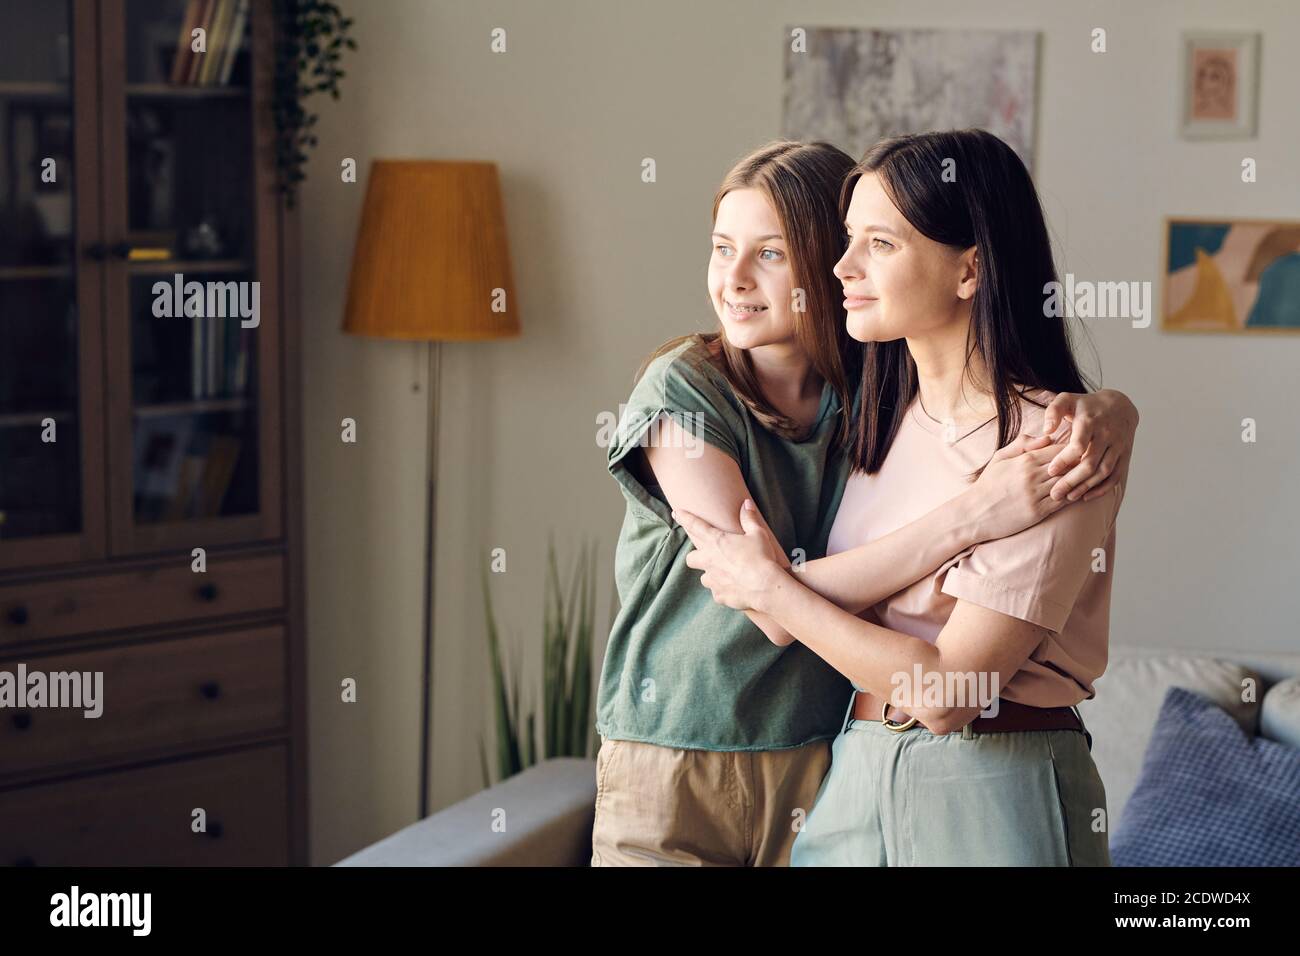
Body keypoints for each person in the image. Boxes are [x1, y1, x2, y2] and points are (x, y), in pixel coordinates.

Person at [594, 138, 1137, 866]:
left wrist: (1115, 410)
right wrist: (972, 517)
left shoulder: (1023, 442)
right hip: (816, 759)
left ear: (970, 268)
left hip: (957, 767)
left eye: (875, 244)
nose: (844, 269)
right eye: (722, 248)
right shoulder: (858, 410)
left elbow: (947, 689)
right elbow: (762, 603)